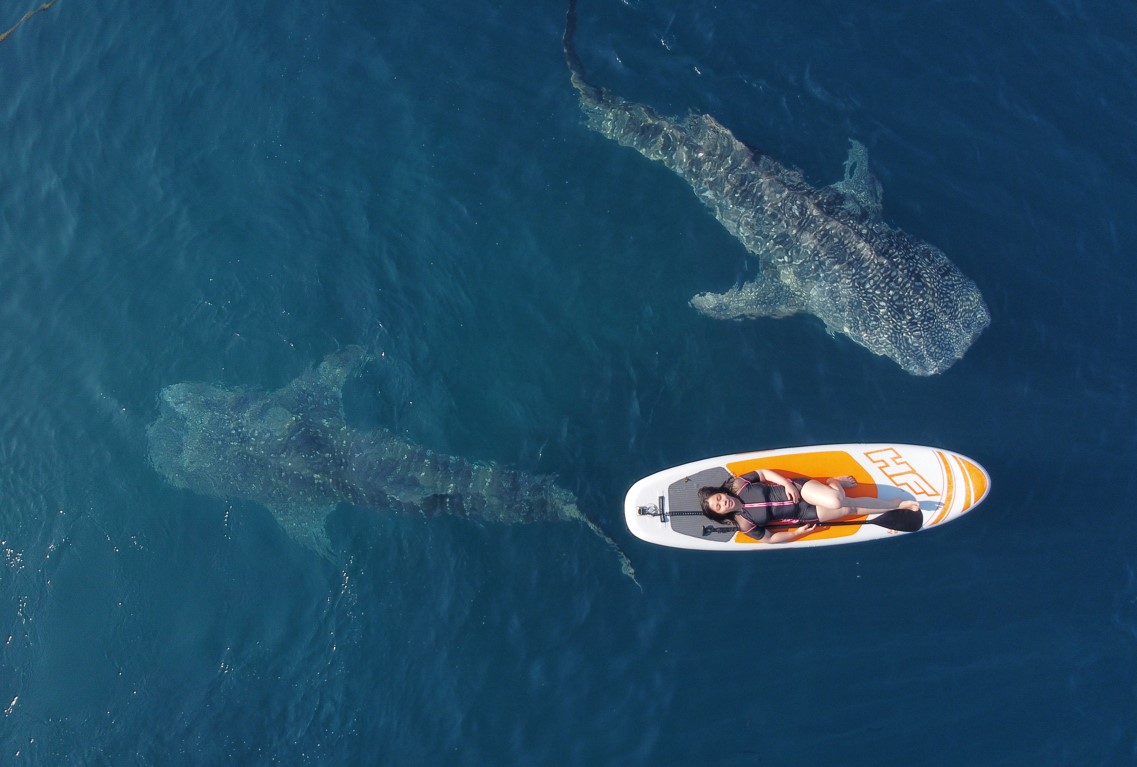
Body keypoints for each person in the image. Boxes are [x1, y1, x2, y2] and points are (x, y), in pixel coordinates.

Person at [699, 468, 919, 543]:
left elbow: (763, 472)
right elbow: (769, 538)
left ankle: (834, 483)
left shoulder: (739, 484)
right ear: (721, 514)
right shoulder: (744, 524)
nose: (722, 502)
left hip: (799, 489)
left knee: (835, 500)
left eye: (718, 498)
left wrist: (786, 484)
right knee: (850, 508)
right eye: (718, 507)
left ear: (720, 492)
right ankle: (894, 505)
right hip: (803, 512)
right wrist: (797, 533)